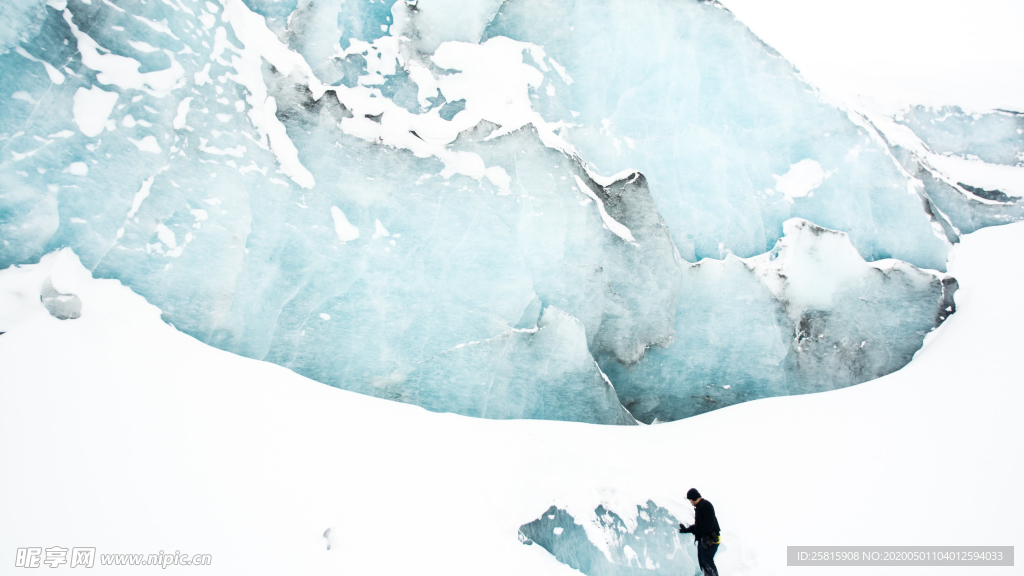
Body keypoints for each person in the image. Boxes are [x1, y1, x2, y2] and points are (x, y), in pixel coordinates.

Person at [679, 488, 720, 576]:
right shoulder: (700, 507)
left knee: (707, 561)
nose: (690, 502)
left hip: (710, 539)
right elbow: (699, 526)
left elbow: (710, 521)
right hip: (704, 539)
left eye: (690, 500)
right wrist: (687, 530)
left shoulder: (706, 505)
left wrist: (705, 536)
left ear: (693, 498)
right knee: (703, 562)